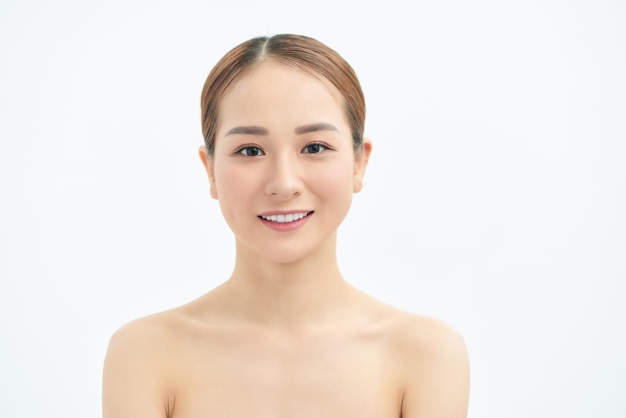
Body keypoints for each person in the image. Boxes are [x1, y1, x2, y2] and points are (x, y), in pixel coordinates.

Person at [102, 33, 470, 418]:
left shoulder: (425, 355)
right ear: (209, 169)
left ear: (360, 163)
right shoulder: (145, 355)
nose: (284, 183)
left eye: (314, 147)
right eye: (250, 150)